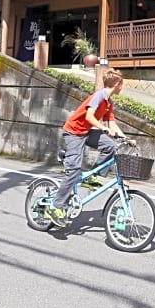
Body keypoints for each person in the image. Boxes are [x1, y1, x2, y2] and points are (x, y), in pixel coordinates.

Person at [45, 69, 128, 227]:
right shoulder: (99, 96)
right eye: (121, 85)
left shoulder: (109, 102)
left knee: (110, 145)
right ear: (117, 84)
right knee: (74, 170)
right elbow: (90, 116)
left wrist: (125, 138)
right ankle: (56, 206)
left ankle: (92, 176)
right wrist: (103, 129)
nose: (122, 88)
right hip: (73, 133)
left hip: (87, 132)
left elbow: (112, 123)